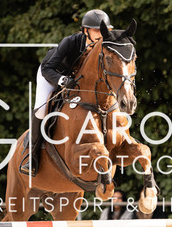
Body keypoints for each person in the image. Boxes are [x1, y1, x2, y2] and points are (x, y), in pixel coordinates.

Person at [20, 9, 113, 176]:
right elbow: (47, 69)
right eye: (97, 31)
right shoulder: (70, 43)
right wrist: (62, 80)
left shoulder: (103, 48)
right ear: (86, 31)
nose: (101, 35)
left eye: (104, 31)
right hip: (51, 75)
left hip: (75, 79)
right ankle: (32, 157)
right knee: (42, 109)